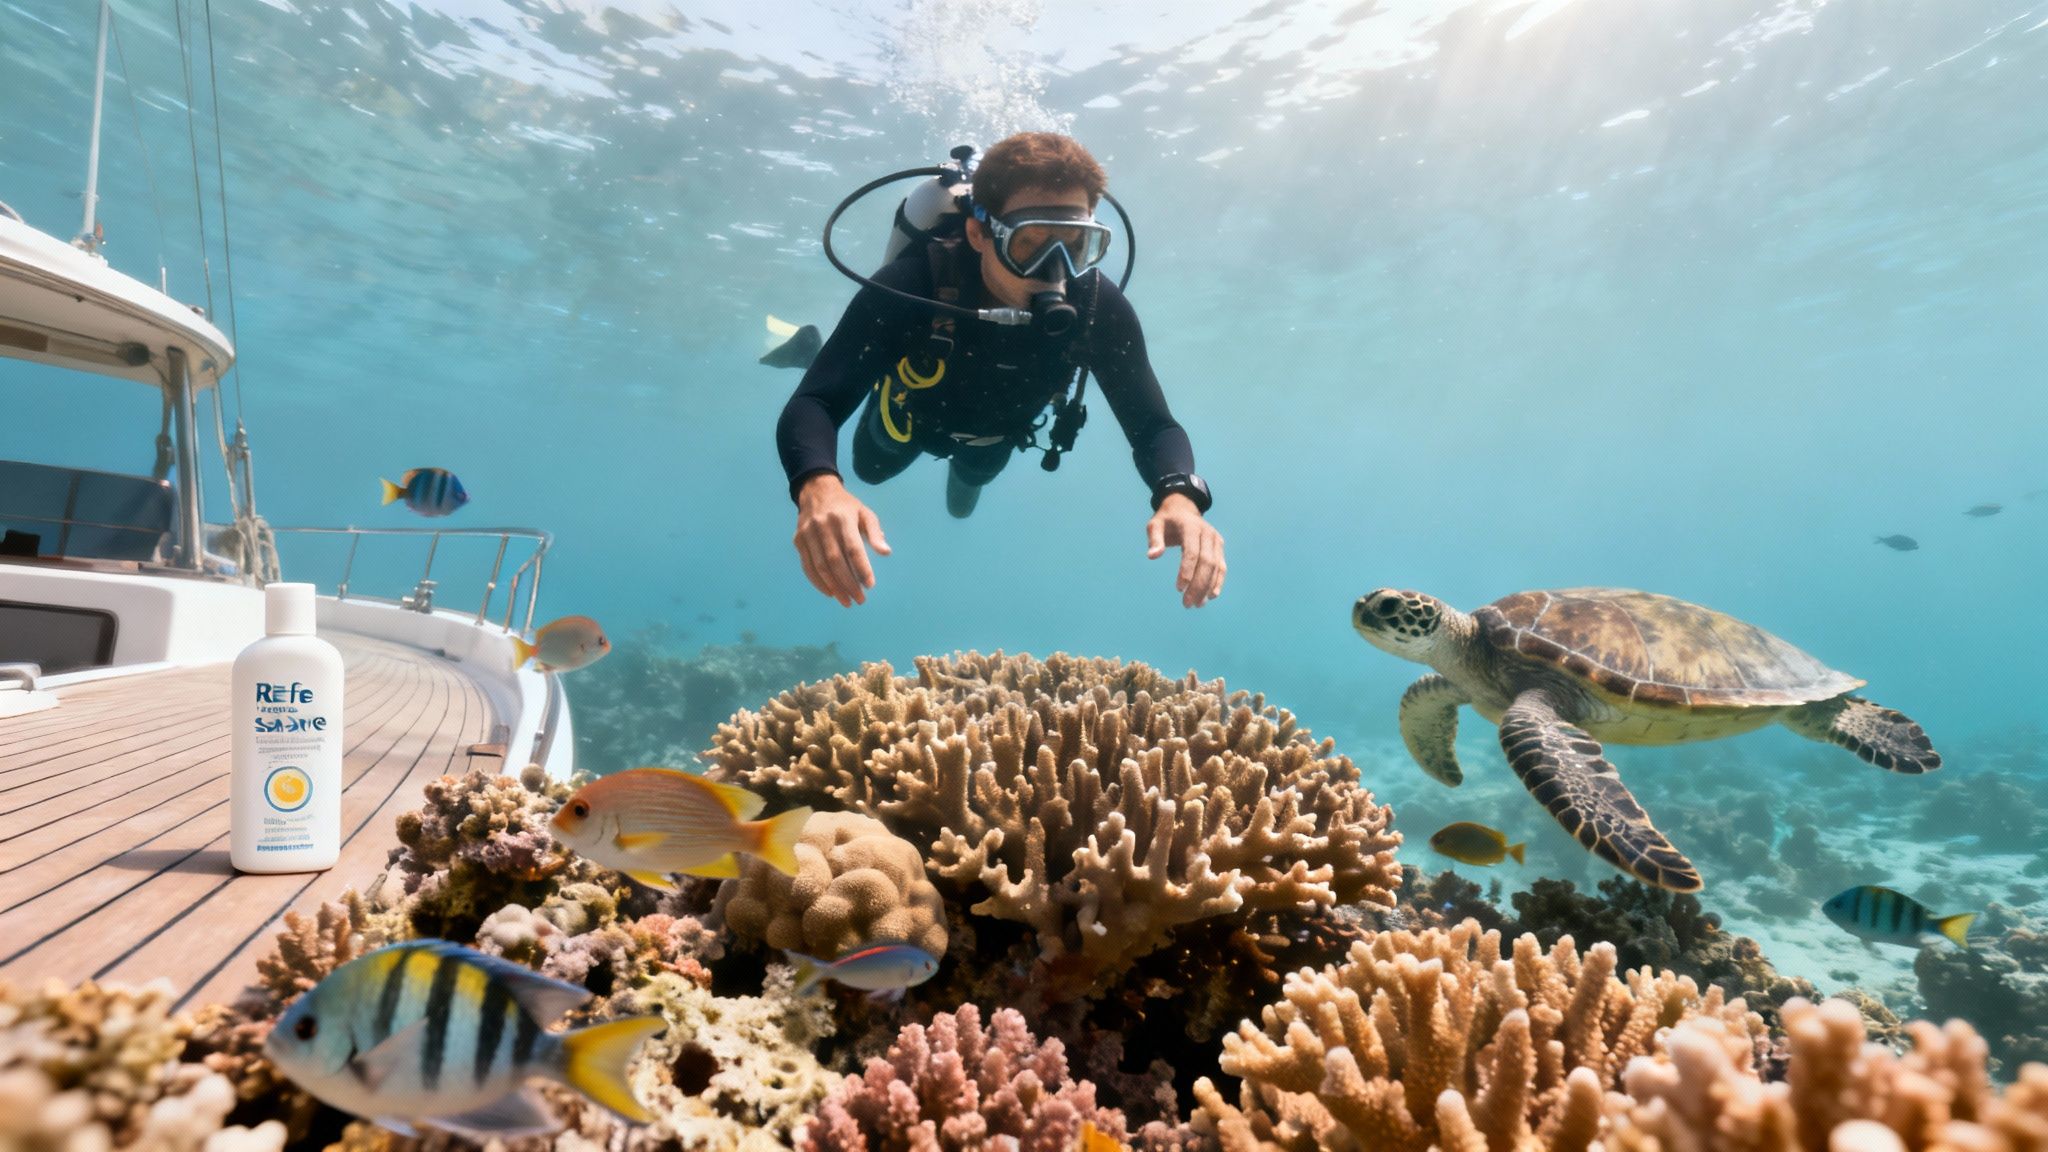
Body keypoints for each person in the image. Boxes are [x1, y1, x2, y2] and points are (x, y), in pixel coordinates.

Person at [775, 132, 1225, 609]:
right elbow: (816, 402)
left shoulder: (1097, 305)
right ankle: (819, 351)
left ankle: (953, 463)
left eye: (1076, 244)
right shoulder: (912, 286)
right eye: (1030, 242)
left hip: (998, 437)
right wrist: (818, 486)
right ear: (978, 233)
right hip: (906, 418)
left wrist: (1180, 494)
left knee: (964, 499)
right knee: (870, 468)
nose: (1055, 270)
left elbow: (1154, 424)